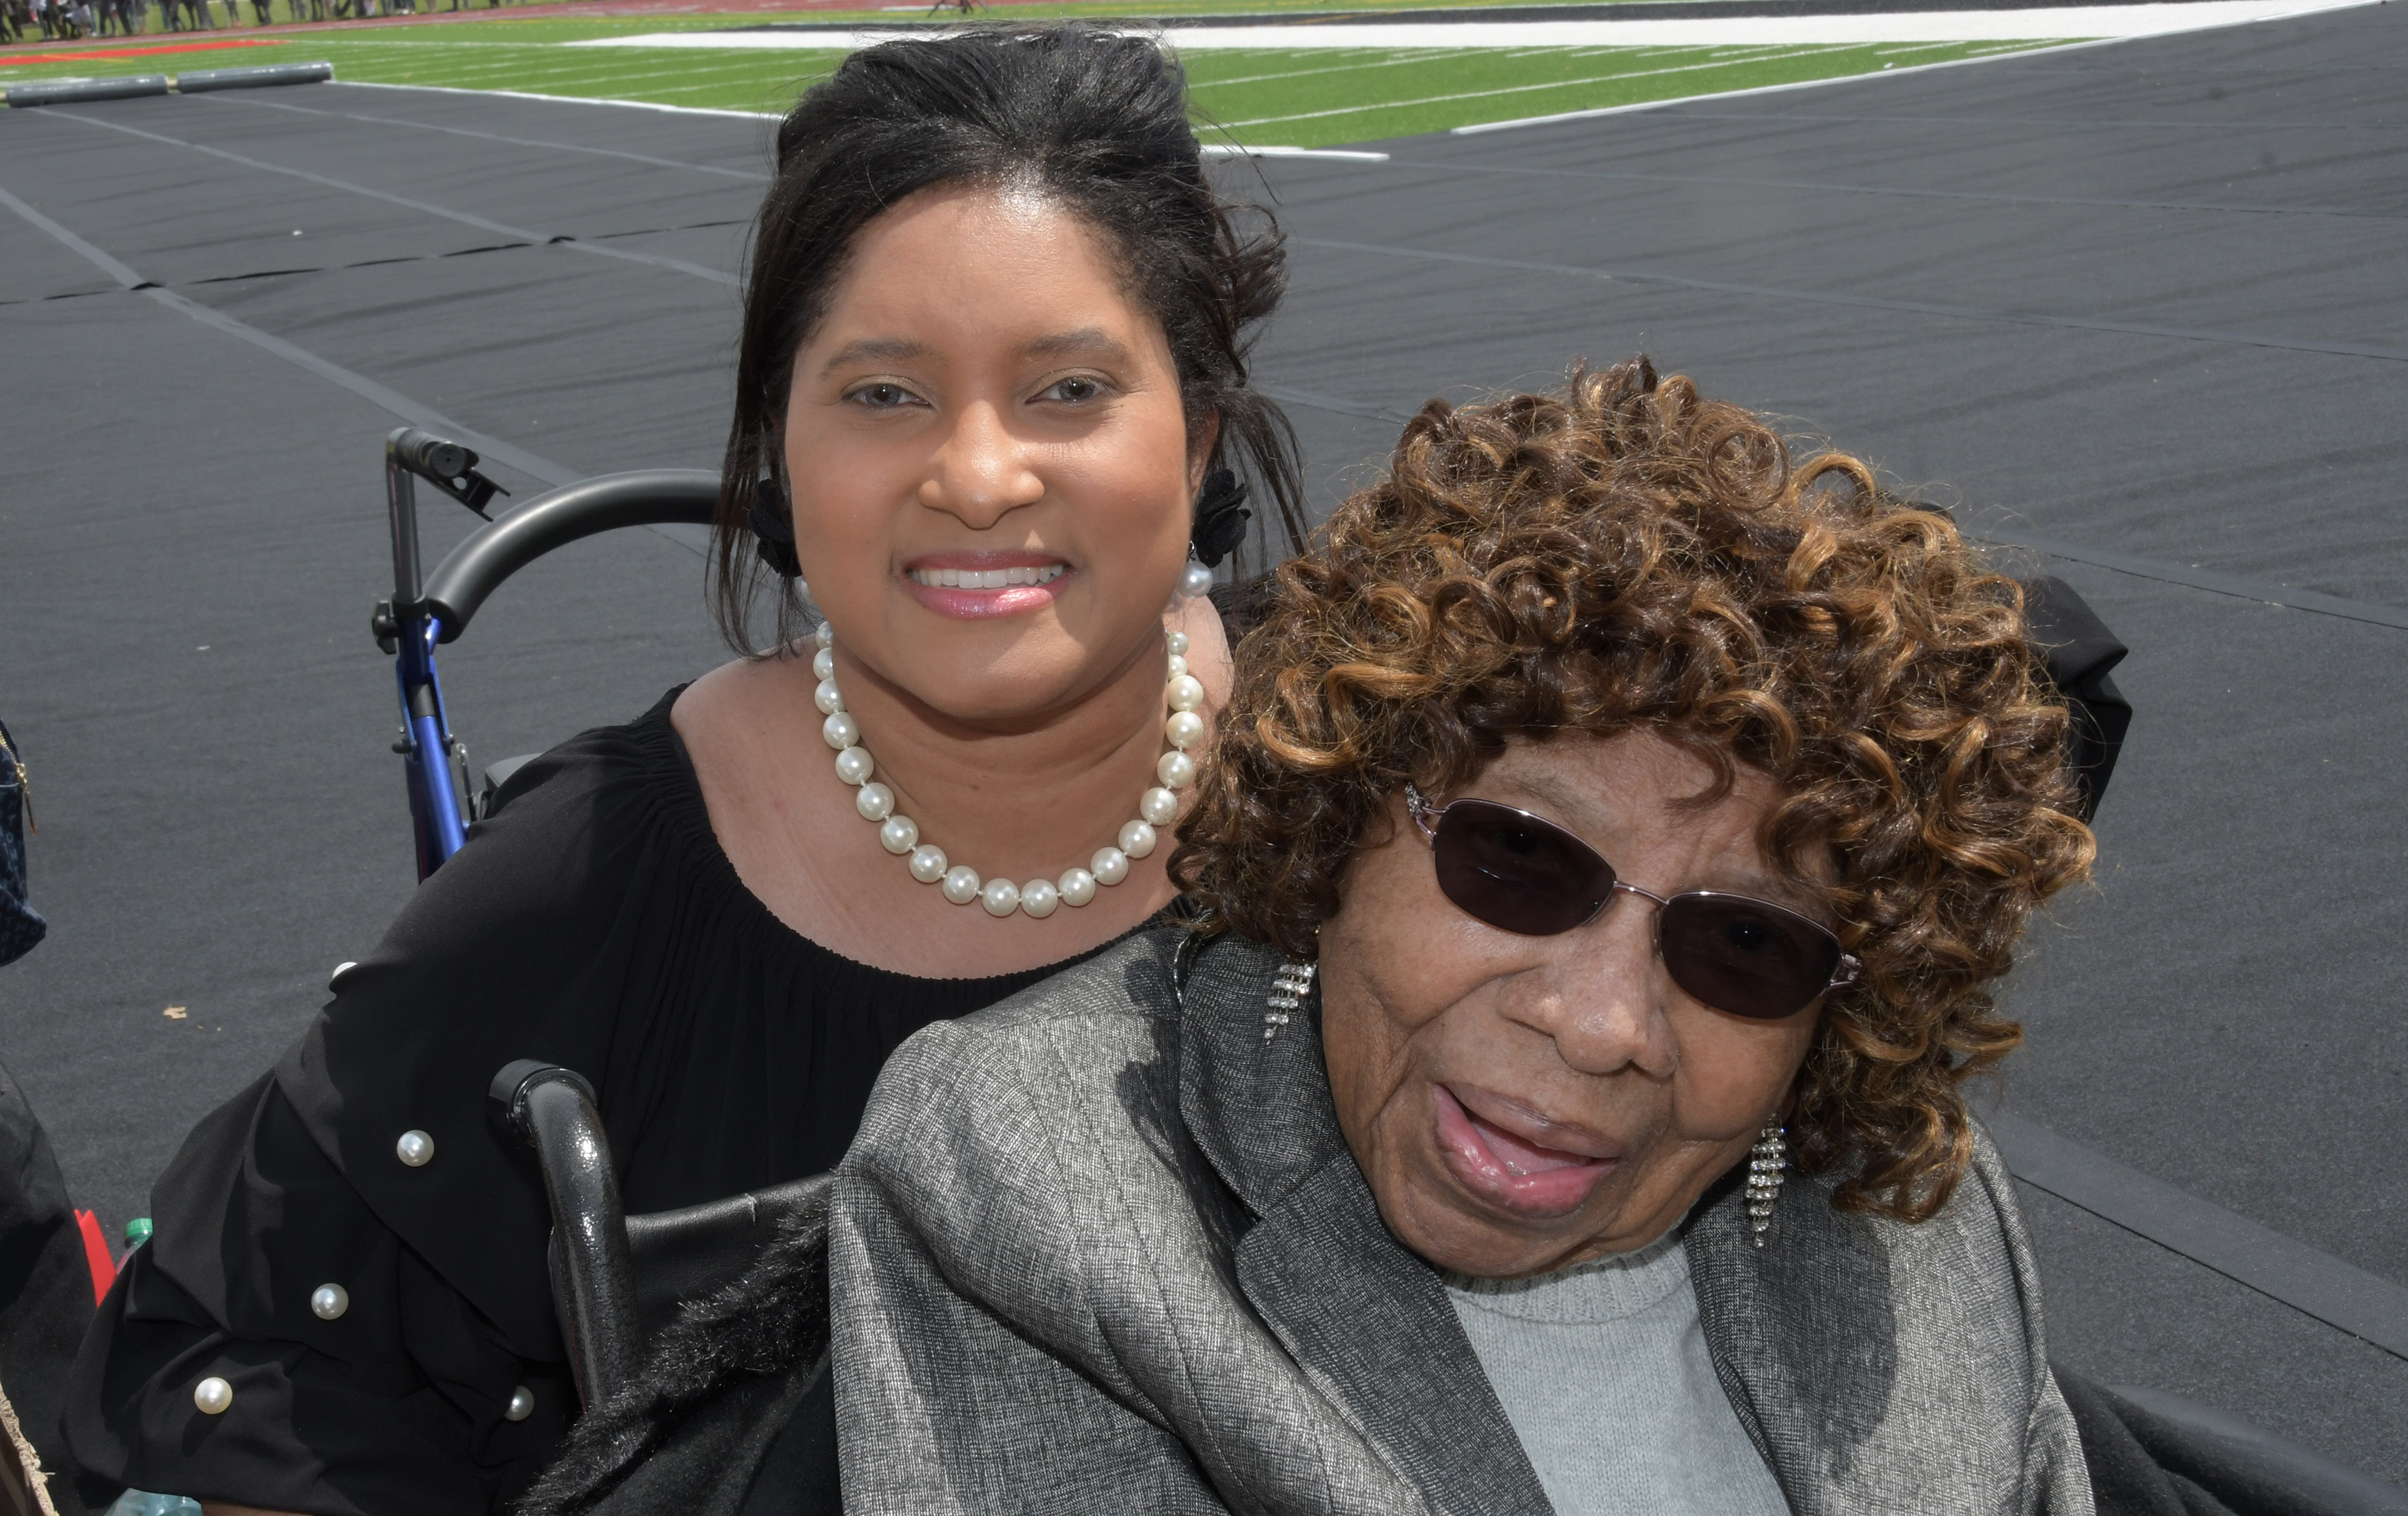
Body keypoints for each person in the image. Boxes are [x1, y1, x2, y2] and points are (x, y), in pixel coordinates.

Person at [64, 25, 1298, 1516]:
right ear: (776, 445)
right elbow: (241, 1355)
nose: (977, 475)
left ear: (1200, 431)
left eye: (1068, 389)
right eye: (883, 394)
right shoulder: (582, 885)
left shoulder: (1407, 778)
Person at [822, 358, 2105, 1513]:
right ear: (1339, 821)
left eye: (1745, 950)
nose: (1600, 1025)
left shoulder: (1910, 1215)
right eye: (1524, 861)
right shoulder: (1037, 1187)